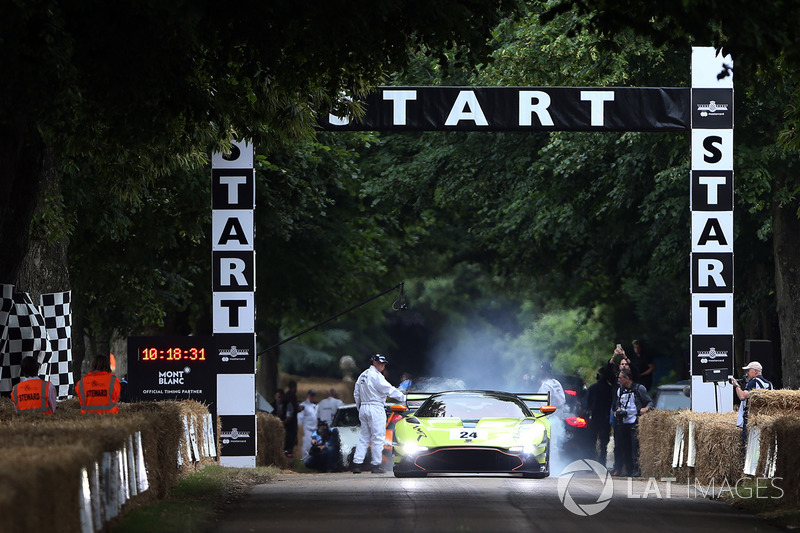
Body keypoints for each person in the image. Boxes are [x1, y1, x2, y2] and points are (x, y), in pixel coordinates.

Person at [352, 353, 405, 474]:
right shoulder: (376, 376)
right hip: (375, 407)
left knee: (364, 437)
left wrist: (359, 407)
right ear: (374, 362)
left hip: (364, 407)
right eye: (380, 363)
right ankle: (375, 465)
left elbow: (356, 393)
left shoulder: (363, 375)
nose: (382, 365)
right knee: (378, 437)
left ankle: (357, 464)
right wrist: (402, 397)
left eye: (383, 363)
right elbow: (388, 389)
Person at [611, 368, 653, 477]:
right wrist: (617, 410)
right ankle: (628, 470)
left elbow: (649, 401)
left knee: (635, 447)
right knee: (625, 447)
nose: (618, 380)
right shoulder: (620, 390)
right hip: (623, 421)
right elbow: (616, 404)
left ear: (626, 378)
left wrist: (645, 408)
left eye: (620, 378)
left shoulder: (639, 389)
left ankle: (636, 470)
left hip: (634, 420)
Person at [733, 361, 773, 462]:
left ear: (755, 371)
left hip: (751, 419)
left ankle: (746, 468)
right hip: (765, 418)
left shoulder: (754, 382)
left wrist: (737, 386)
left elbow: (742, 396)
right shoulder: (769, 384)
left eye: (748, 371)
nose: (747, 374)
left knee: (748, 444)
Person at [585, 366, 613, 465]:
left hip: (594, 417)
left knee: (591, 443)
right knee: (604, 444)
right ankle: (602, 463)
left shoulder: (592, 388)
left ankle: (590, 464)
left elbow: (586, 404)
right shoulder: (610, 389)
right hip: (605, 418)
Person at [298, 389, 319, 460]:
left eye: (313, 395)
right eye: (311, 395)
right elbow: (300, 417)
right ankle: (305, 459)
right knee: (307, 445)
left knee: (315, 444)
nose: (312, 397)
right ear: (308, 396)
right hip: (307, 428)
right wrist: (300, 428)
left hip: (315, 428)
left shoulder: (316, 406)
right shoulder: (303, 405)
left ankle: (313, 459)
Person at [284, 380, 301, 458]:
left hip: (287, 423)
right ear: (294, 387)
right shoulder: (292, 395)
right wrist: (300, 408)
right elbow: (295, 408)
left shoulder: (286, 395)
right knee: (291, 440)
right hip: (292, 423)